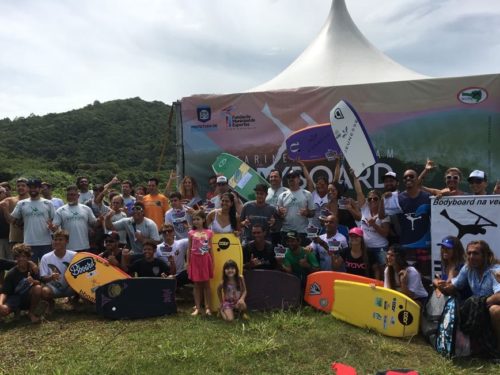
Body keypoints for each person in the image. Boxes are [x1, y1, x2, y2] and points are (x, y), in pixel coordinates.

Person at [437, 240, 500, 351]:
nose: (471, 257)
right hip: (480, 309)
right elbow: (454, 286)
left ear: (486, 255)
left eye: (475, 253)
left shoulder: (496, 271)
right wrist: (442, 286)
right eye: (469, 253)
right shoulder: (467, 268)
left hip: (492, 307)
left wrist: (479, 303)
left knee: (495, 310)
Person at [383, 169, 431, 276]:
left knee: (426, 277)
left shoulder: (428, 197)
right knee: (408, 278)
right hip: (406, 246)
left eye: (411, 176)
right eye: (405, 177)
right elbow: (382, 215)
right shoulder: (398, 199)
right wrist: (383, 200)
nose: (408, 179)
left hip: (425, 246)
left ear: (417, 178)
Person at [8, 179, 56, 262]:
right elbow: (12, 219)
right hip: (28, 243)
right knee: (31, 270)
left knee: (48, 270)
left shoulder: (48, 203)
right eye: (30, 187)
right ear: (27, 189)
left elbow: (55, 222)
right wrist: (5, 209)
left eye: (35, 188)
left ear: (40, 189)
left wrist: (52, 227)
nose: (33, 190)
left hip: (46, 243)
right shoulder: (21, 203)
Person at [353, 175, 390, 280]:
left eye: (375, 198)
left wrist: (374, 224)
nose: (372, 201)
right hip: (366, 248)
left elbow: (385, 233)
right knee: (368, 271)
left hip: (380, 248)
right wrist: (355, 177)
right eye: (370, 199)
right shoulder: (364, 208)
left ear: (380, 200)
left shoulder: (383, 213)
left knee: (384, 272)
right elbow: (359, 192)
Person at [0, 244, 46, 323]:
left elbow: (39, 282)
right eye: (18, 257)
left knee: (38, 288)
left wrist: (33, 281)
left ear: (28, 258)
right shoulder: (11, 273)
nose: (21, 259)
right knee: (3, 311)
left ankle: (31, 313)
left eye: (24, 256)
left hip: (28, 297)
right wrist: (0, 304)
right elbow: (5, 292)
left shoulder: (33, 269)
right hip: (15, 298)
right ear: (15, 258)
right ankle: (15, 310)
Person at [51, 185, 97, 252]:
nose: (70, 197)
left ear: (78, 196)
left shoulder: (86, 209)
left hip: (84, 246)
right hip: (67, 248)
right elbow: (55, 228)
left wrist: (100, 220)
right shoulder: (60, 210)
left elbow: (94, 223)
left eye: (73, 195)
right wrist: (52, 227)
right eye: (68, 195)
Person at [40, 229, 77, 312]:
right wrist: (50, 277)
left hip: (70, 287)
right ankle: (50, 302)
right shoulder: (45, 257)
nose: (57, 242)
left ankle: (75, 300)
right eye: (55, 239)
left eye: (60, 239)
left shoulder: (74, 255)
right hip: (54, 288)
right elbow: (42, 277)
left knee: (82, 283)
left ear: (67, 241)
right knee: (44, 291)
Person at [277, 169, 315, 246]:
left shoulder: (307, 194)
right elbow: (278, 215)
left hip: (302, 232)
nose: (291, 179)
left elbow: (313, 213)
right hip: (286, 231)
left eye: (293, 176)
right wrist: (279, 213)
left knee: (303, 257)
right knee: (287, 257)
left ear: (299, 179)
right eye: (289, 177)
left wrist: (307, 213)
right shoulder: (282, 195)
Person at [187, 210, 214, 316]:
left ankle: (208, 307)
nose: (196, 221)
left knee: (207, 284)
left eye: (198, 219)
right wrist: (187, 262)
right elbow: (189, 249)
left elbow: (211, 248)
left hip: (205, 259)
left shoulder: (209, 232)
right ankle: (197, 307)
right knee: (197, 284)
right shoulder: (191, 233)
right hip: (195, 259)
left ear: (203, 220)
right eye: (194, 219)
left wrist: (213, 261)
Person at [156, 223, 189, 288]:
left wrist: (189, 229)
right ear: (162, 234)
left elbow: (194, 238)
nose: (167, 233)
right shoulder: (157, 248)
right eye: (164, 232)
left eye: (170, 231)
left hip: (180, 275)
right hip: (165, 275)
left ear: (173, 232)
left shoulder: (182, 243)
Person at [0, 178, 29, 249]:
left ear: (28, 187)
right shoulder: (10, 200)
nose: (20, 187)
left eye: (23, 185)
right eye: (18, 186)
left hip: (30, 238)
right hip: (14, 239)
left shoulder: (33, 200)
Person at [265, 169, 288, 247]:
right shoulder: (265, 192)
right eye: (271, 177)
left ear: (281, 178)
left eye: (275, 176)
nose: (273, 178)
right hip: (267, 229)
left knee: (281, 252)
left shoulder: (287, 192)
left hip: (282, 228)